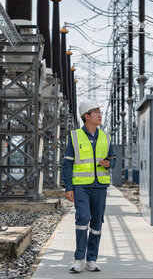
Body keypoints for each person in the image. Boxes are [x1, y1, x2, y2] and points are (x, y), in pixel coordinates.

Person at [62, 99, 115, 273]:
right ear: (87, 116)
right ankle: (78, 259)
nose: (100, 115)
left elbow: (112, 160)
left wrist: (108, 164)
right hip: (81, 186)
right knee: (83, 218)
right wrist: (68, 187)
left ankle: (91, 259)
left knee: (97, 223)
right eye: (96, 112)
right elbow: (67, 164)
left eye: (100, 112)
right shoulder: (74, 137)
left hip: (100, 186)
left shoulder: (106, 137)